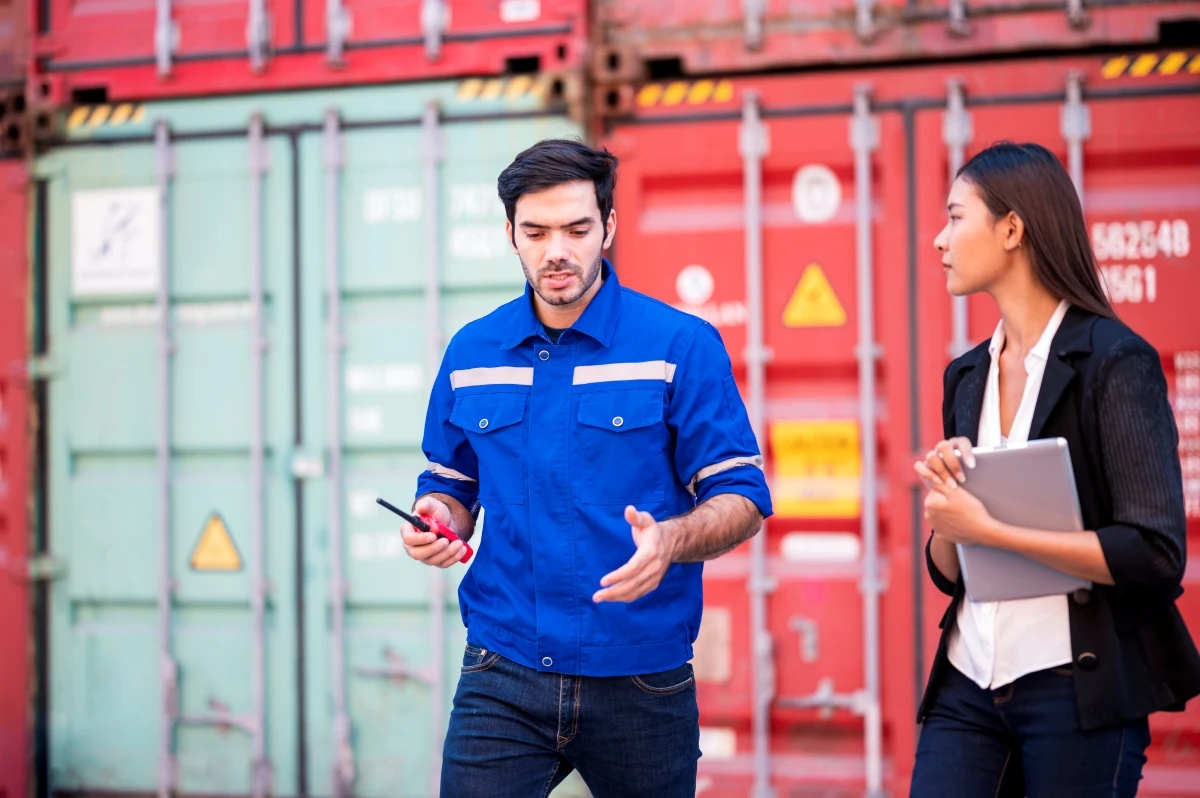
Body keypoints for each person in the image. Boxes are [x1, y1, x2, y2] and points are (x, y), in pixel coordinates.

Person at [400, 139, 773, 797]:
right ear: (510, 234)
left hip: (641, 679)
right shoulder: (472, 351)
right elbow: (451, 484)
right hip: (502, 668)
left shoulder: (677, 346)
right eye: (536, 232)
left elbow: (741, 493)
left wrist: (672, 541)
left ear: (610, 227)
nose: (557, 251)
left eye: (576, 228)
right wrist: (437, 516)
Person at [909, 141, 1200, 797]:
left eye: (956, 218)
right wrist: (948, 516)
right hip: (968, 684)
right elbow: (947, 570)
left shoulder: (1116, 362)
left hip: (1077, 692)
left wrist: (992, 529)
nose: (939, 239)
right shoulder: (967, 375)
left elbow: (1154, 553)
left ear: (1012, 229)